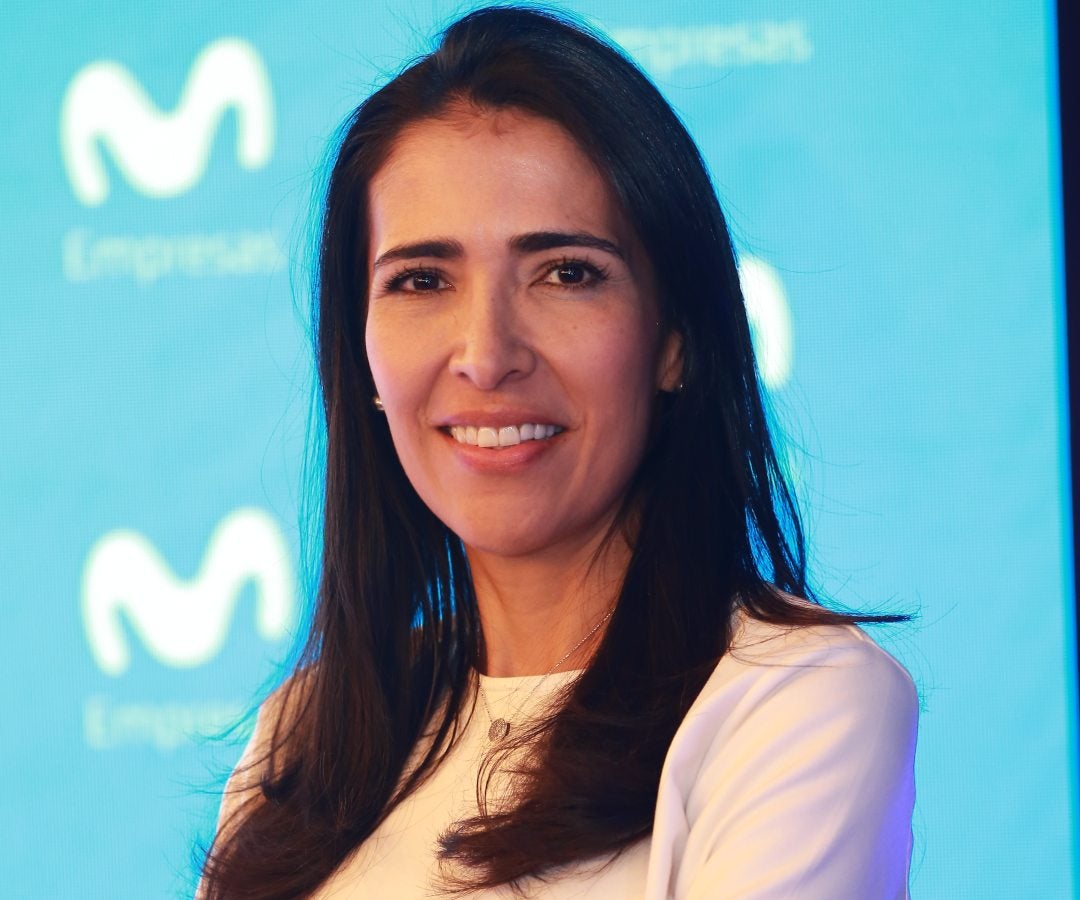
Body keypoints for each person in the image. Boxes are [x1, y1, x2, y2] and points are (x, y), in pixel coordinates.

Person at [198, 6, 918, 898]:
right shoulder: (305, 734)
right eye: (422, 280)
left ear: (675, 338)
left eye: (566, 273)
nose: (486, 354)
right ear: (363, 355)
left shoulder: (795, 702)